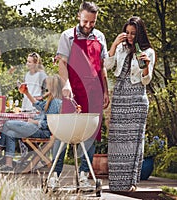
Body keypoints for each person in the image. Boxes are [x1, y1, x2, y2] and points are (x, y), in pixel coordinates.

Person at [53, 1, 110, 186]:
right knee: (63, 132)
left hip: (94, 92)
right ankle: (55, 174)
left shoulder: (100, 37)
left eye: (92, 22)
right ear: (79, 16)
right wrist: (66, 84)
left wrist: (106, 91)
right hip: (73, 92)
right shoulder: (67, 36)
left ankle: (85, 174)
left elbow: (102, 68)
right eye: (85, 21)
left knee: (90, 133)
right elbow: (62, 62)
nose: (88, 25)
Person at [105, 16, 155, 191]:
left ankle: (132, 182)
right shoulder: (120, 48)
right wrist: (113, 45)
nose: (130, 36)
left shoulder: (148, 52)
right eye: (127, 32)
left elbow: (146, 80)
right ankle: (117, 183)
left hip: (137, 98)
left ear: (139, 33)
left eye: (133, 33)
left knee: (134, 141)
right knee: (117, 140)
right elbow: (106, 65)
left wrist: (146, 66)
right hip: (120, 95)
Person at [0, 75, 63, 173]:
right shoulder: (51, 99)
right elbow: (38, 105)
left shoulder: (55, 102)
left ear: (52, 86)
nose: (46, 85)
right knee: (10, 133)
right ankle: (8, 165)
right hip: (37, 128)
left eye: (48, 83)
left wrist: (34, 121)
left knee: (8, 123)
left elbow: (49, 123)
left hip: (42, 131)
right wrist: (26, 93)